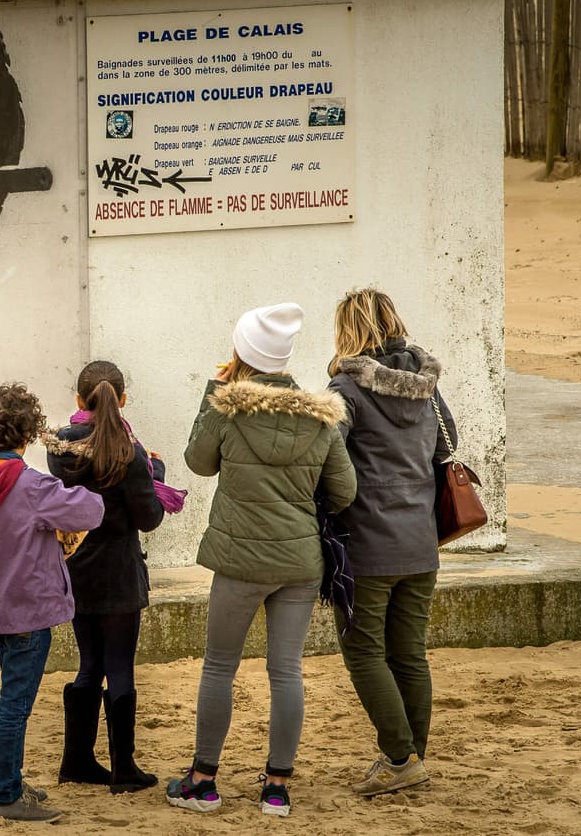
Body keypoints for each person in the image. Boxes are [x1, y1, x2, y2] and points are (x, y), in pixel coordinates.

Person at [167, 303, 357, 817]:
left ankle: (203, 782)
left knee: (219, 666)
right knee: (286, 670)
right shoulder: (320, 418)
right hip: (299, 561)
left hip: (239, 560)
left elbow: (197, 463)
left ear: (242, 353)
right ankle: (276, 788)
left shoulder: (228, 409)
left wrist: (213, 392)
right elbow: (345, 492)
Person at [325, 288, 458, 797]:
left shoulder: (345, 387)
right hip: (421, 541)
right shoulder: (426, 384)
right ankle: (409, 758)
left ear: (349, 329)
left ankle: (401, 758)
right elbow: (448, 446)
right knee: (409, 654)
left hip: (367, 544)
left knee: (363, 652)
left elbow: (329, 461)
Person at [0, 383, 105, 823]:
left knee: (12, 698)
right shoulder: (31, 485)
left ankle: (10, 780)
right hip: (29, 611)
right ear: (26, 433)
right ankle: (4, 793)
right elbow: (90, 511)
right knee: (15, 706)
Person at [45, 361, 166, 794]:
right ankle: (123, 768)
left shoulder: (59, 449)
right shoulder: (128, 452)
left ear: (79, 400)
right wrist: (157, 474)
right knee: (119, 665)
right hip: (119, 571)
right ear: (123, 399)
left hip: (77, 569)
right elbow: (149, 518)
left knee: (89, 664)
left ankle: (77, 760)